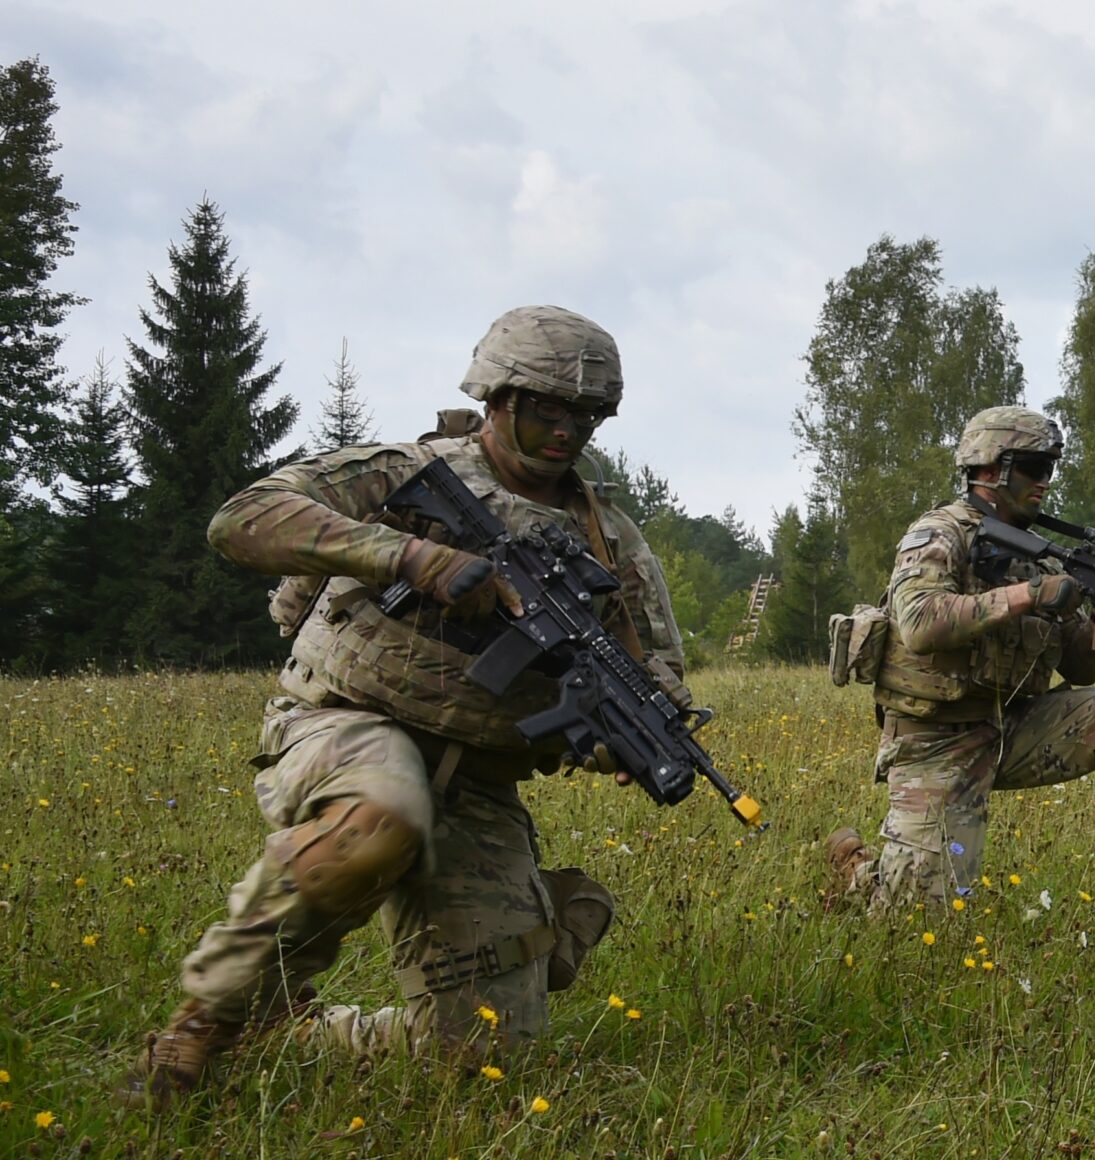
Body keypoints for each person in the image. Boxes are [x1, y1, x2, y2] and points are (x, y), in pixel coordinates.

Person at [126, 306, 683, 1105]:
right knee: (381, 816)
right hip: (347, 722)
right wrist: (410, 557)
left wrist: (617, 733)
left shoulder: (608, 541)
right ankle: (206, 1024)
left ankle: (299, 1030)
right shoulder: (409, 474)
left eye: (585, 416)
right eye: (546, 411)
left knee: (490, 1057)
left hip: (478, 784)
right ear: (497, 398)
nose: (567, 431)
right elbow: (241, 520)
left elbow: (656, 670)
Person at [825, 407, 1095, 911]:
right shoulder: (940, 534)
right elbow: (919, 622)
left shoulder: (1042, 557)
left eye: (1051, 470)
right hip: (934, 741)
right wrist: (1028, 596)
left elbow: (1082, 671)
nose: (1045, 483)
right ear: (991, 469)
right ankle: (857, 871)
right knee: (916, 922)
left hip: (1011, 727)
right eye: (1034, 467)